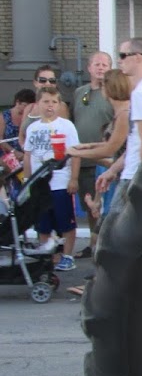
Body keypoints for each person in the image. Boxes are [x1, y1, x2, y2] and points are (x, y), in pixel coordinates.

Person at [96, 38, 142, 218]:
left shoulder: (141, 93)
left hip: (134, 177)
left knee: (112, 233)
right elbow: (137, 141)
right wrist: (113, 171)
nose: (120, 60)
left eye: (123, 55)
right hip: (138, 173)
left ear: (137, 57)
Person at [23, 87, 80, 272]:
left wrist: (74, 178)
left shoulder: (66, 126)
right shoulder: (32, 128)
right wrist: (27, 180)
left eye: (54, 102)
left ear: (59, 105)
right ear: (38, 104)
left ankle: (68, 256)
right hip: (39, 185)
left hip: (60, 182)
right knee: (43, 224)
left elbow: (75, 154)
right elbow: (27, 156)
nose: (50, 106)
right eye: (46, 101)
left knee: (65, 221)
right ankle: (46, 256)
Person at [71, 52, 114, 259]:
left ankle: (104, 245)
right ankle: (92, 243)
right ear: (89, 68)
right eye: (97, 64)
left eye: (105, 64)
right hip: (84, 160)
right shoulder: (80, 93)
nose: (100, 68)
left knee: (108, 205)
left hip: (107, 160)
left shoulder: (113, 93)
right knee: (89, 203)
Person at [2, 88, 35, 158]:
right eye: (25, 106)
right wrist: (14, 152)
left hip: (27, 152)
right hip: (8, 153)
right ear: (17, 102)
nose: (28, 109)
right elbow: (1, 140)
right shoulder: (4, 116)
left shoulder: (31, 117)